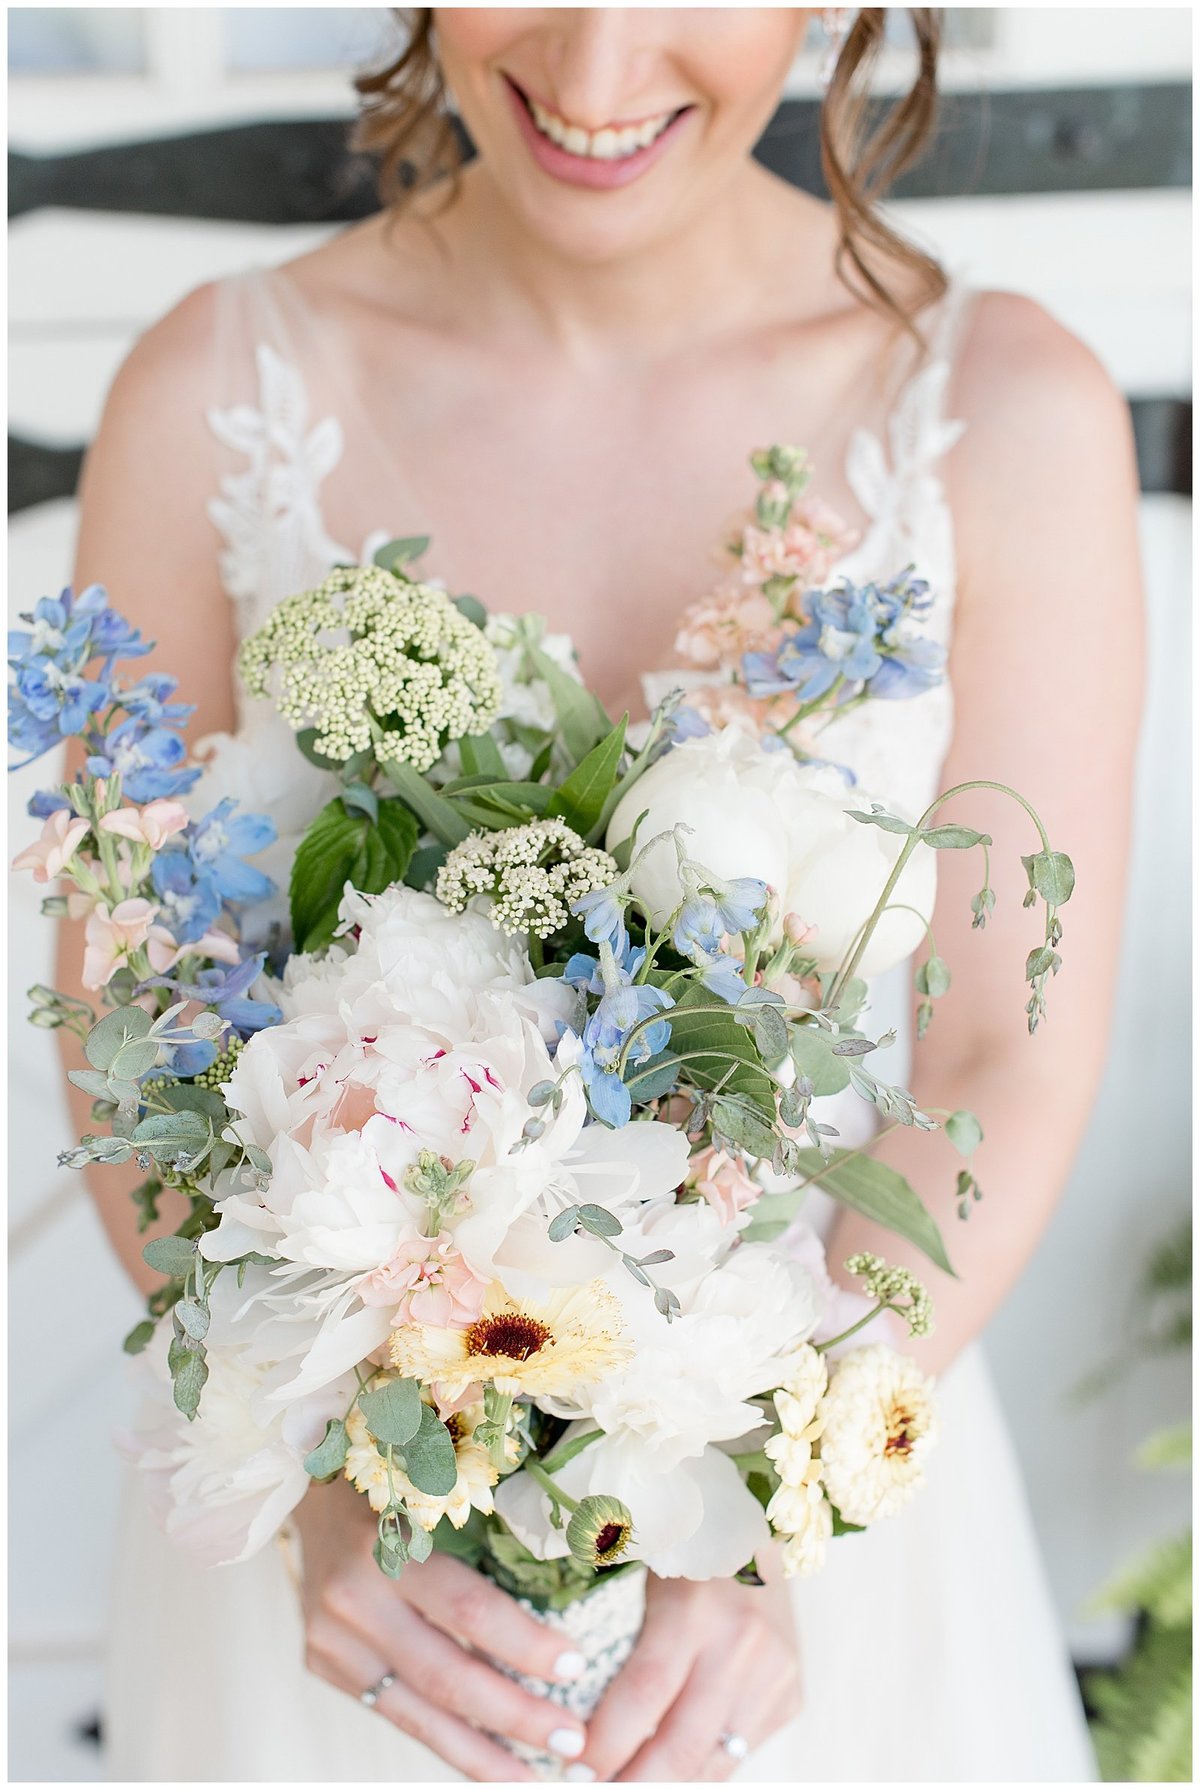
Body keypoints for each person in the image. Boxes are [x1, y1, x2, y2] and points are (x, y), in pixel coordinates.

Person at [60, 8, 1142, 1781]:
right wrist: (319, 1465)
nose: (594, 67)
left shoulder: (1007, 412)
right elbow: (129, 1015)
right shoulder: (212, 388)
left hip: (810, 1564)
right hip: (348, 1588)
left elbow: (994, 1055)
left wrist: (775, 1500)